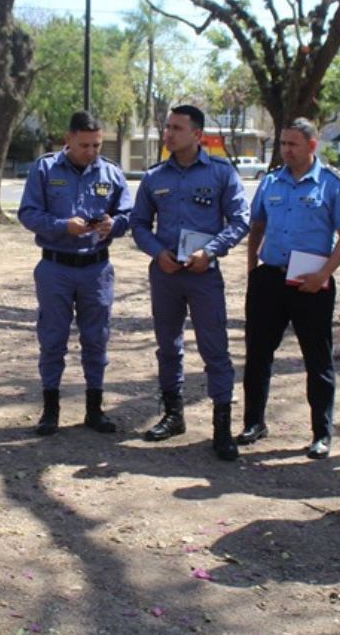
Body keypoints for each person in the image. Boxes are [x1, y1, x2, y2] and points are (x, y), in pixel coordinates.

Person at [131, 104, 250, 460]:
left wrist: (210, 253)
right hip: (166, 274)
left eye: (177, 128)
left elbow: (239, 220)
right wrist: (156, 252)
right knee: (168, 347)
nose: (168, 134)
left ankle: (222, 426)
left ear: (197, 135)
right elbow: (138, 224)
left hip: (203, 275)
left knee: (215, 350)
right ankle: (173, 414)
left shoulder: (220, 173)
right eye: (167, 127)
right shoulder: (154, 178)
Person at [241, 118, 340, 459]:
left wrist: (324, 273)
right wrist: (253, 270)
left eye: (293, 144)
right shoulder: (271, 183)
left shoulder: (331, 185)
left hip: (312, 283)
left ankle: (321, 433)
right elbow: (258, 226)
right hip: (270, 278)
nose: (286, 150)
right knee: (258, 354)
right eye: (282, 144)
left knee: (317, 358)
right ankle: (254, 422)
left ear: (312, 146)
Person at [18, 111, 133, 435]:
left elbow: (128, 213)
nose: (91, 151)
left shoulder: (110, 173)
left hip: (96, 268)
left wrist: (115, 224)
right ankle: (50, 409)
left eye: (96, 144)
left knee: (96, 339)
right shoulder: (45, 168)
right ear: (68, 139)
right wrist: (62, 227)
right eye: (84, 145)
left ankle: (94, 409)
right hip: (55, 267)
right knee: (52, 338)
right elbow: (28, 213)